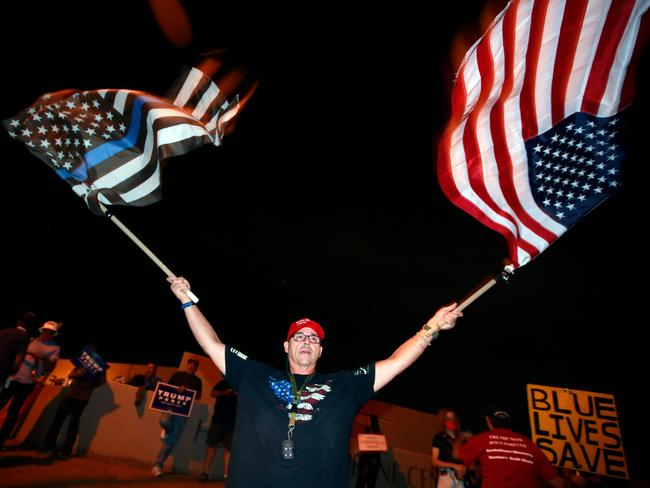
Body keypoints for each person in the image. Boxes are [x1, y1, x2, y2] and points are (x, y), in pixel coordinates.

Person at [167, 275, 462, 488]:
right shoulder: (255, 375)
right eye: (299, 336)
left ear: (320, 350)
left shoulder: (345, 385)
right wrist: (185, 300)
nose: (306, 341)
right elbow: (211, 343)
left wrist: (432, 327)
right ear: (286, 346)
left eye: (313, 338)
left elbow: (396, 363)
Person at [454, 404, 566, 488]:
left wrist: (460, 437)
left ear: (488, 420)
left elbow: (456, 455)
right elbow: (554, 480)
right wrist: (573, 481)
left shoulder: (483, 439)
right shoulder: (529, 444)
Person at [0, 320, 61, 449]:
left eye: (50, 332)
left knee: (13, 413)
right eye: (45, 331)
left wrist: (41, 359)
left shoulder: (55, 348)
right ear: (42, 330)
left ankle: (1, 441)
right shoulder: (30, 340)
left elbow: (51, 366)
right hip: (12, 378)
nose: (47, 334)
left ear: (54, 334)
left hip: (28, 382)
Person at [42, 344, 107, 458]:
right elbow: (71, 375)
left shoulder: (100, 367)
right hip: (69, 395)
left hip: (82, 397)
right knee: (58, 420)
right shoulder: (81, 363)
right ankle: (48, 445)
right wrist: (78, 373)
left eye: (93, 350)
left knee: (73, 423)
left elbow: (101, 382)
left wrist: (91, 382)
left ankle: (66, 450)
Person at [151, 357, 203, 477]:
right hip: (169, 408)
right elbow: (166, 387)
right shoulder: (177, 375)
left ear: (196, 368)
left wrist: (188, 390)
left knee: (171, 441)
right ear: (187, 365)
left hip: (183, 413)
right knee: (163, 421)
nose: (191, 366)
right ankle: (167, 430)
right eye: (190, 363)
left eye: (194, 365)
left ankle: (157, 465)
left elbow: (198, 396)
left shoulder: (197, 381)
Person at [198, 378, 238, 482]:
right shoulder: (225, 382)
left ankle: (226, 476)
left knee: (228, 449)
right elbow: (213, 392)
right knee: (212, 445)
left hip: (233, 423)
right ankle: (205, 472)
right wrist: (225, 392)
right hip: (218, 420)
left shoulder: (243, 386)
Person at [0, 312, 40, 391]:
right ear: (31, 327)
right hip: (3, 370)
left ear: (19, 321)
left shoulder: (4, 331)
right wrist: (13, 371)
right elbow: (19, 358)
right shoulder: (24, 336)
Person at [431, 408, 468, 487]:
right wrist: (454, 466)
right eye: (448, 418)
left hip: (460, 478)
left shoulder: (461, 438)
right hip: (446, 477)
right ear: (443, 421)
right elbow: (434, 461)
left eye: (453, 418)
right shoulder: (438, 438)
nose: (451, 421)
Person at [355, 414, 383, 488]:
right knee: (367, 481)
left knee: (365, 480)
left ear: (372, 421)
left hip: (370, 459)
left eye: (368, 420)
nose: (366, 421)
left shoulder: (376, 433)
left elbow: (381, 446)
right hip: (370, 459)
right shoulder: (375, 432)